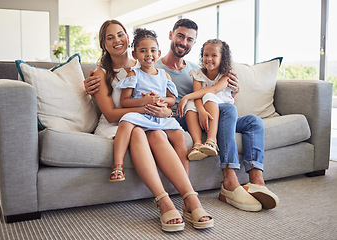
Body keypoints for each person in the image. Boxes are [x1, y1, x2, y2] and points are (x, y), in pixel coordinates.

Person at [85, 19, 279, 212]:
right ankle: (225, 181)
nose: (184, 42)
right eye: (180, 36)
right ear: (170, 35)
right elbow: (126, 99)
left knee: (250, 120)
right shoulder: (150, 64)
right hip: (169, 117)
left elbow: (201, 93)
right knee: (218, 113)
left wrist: (232, 91)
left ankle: (256, 182)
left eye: (189, 39)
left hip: (194, 112)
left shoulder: (192, 69)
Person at [89, 19, 214, 232]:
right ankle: (163, 201)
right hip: (118, 123)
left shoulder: (145, 65)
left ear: (128, 39)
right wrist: (146, 108)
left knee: (157, 135)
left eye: (120, 34)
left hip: (149, 119)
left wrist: (164, 111)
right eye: (110, 37)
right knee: (138, 131)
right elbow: (110, 115)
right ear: (103, 43)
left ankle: (190, 199)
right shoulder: (101, 73)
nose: (116, 40)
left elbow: (168, 100)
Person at [111, 28, 186, 182]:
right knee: (125, 122)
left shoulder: (163, 75)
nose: (148, 55)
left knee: (180, 135)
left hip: (161, 115)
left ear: (159, 53)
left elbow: (172, 99)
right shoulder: (134, 74)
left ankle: (184, 177)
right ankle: (118, 165)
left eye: (153, 50)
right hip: (141, 115)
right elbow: (125, 101)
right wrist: (144, 101)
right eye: (143, 51)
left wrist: (162, 100)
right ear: (135, 54)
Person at [176, 39, 233, 161]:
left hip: (223, 107)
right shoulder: (198, 74)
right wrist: (201, 110)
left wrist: (186, 97)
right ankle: (197, 145)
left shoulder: (226, 75)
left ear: (222, 58)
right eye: (206, 55)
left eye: (214, 55)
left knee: (207, 96)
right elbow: (197, 95)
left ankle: (211, 141)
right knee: (191, 103)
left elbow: (213, 90)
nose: (209, 58)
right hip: (204, 106)